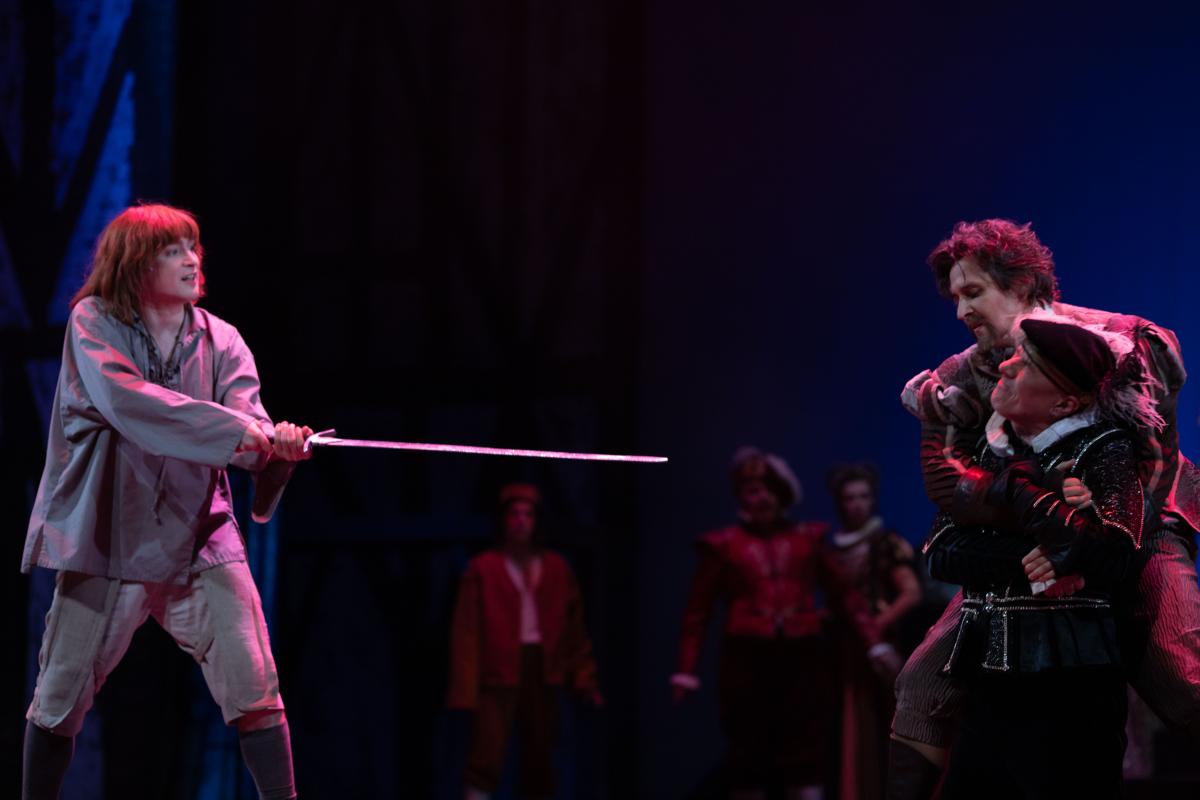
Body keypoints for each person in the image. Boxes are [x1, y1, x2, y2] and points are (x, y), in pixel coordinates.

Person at [889, 218, 1200, 797]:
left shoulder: (1125, 342)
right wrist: (1044, 530)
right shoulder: (961, 374)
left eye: (973, 292)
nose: (961, 312)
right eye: (955, 298)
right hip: (1030, 535)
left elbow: (1153, 466)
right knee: (922, 684)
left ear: (1023, 284)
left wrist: (1083, 547)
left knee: (1181, 676)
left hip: (1138, 524)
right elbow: (948, 484)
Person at [20, 203, 313, 800]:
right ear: (134, 263)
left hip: (200, 534)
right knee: (59, 698)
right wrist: (241, 434)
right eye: (172, 250)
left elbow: (249, 424)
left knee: (255, 685)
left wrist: (276, 445)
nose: (191, 260)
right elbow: (128, 402)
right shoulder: (93, 323)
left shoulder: (222, 339)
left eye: (193, 248)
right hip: (111, 534)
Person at [925, 315, 1145, 798]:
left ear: (1065, 402)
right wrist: (1038, 552)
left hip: (1070, 686)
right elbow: (941, 550)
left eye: (1025, 364)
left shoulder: (1103, 448)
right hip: (987, 681)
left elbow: (1117, 553)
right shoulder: (990, 450)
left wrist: (1019, 489)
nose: (1005, 367)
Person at [672, 448, 899, 800]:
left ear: (782, 494)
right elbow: (697, 613)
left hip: (802, 657)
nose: (761, 498)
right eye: (752, 491)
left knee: (804, 750)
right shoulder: (724, 546)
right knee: (747, 753)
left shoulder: (806, 540)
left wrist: (875, 643)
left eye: (768, 489)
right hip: (746, 660)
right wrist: (686, 670)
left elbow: (846, 598)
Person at [447, 483, 602, 800]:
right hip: (498, 670)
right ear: (504, 520)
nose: (520, 521)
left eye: (528, 514)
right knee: (486, 753)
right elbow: (466, 632)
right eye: (514, 514)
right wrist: (464, 690)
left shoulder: (556, 569)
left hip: (542, 669)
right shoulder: (484, 569)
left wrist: (584, 678)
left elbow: (573, 630)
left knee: (541, 755)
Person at [825, 464, 921, 800]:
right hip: (843, 650)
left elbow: (911, 592)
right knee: (848, 724)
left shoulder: (884, 543)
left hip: (880, 649)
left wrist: (874, 626)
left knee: (879, 723)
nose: (856, 504)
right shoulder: (832, 548)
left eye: (863, 496)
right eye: (849, 498)